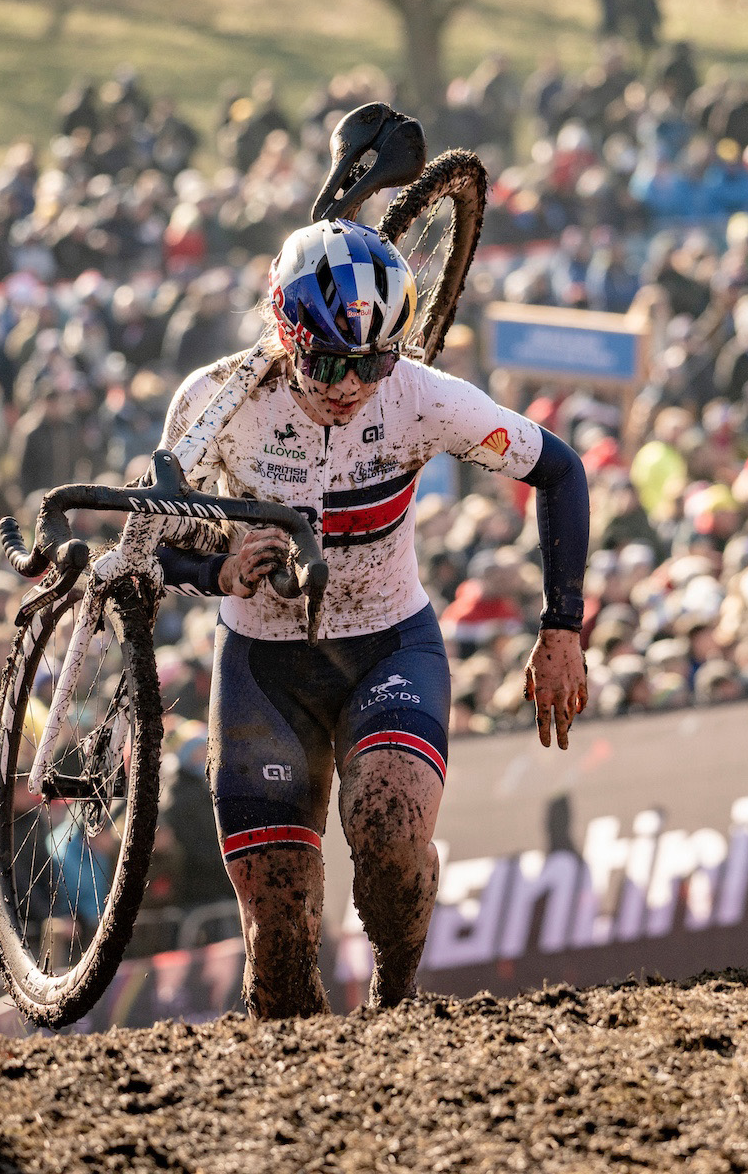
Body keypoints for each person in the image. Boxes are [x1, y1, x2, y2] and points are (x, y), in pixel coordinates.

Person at [153, 216, 589, 1017]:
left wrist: (562, 628)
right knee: (278, 945)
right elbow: (147, 546)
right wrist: (215, 568)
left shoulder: (422, 398)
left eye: (372, 359)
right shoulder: (214, 404)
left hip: (389, 646)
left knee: (387, 832)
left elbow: (559, 469)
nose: (349, 384)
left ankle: (398, 999)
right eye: (325, 360)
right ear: (285, 332)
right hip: (263, 666)